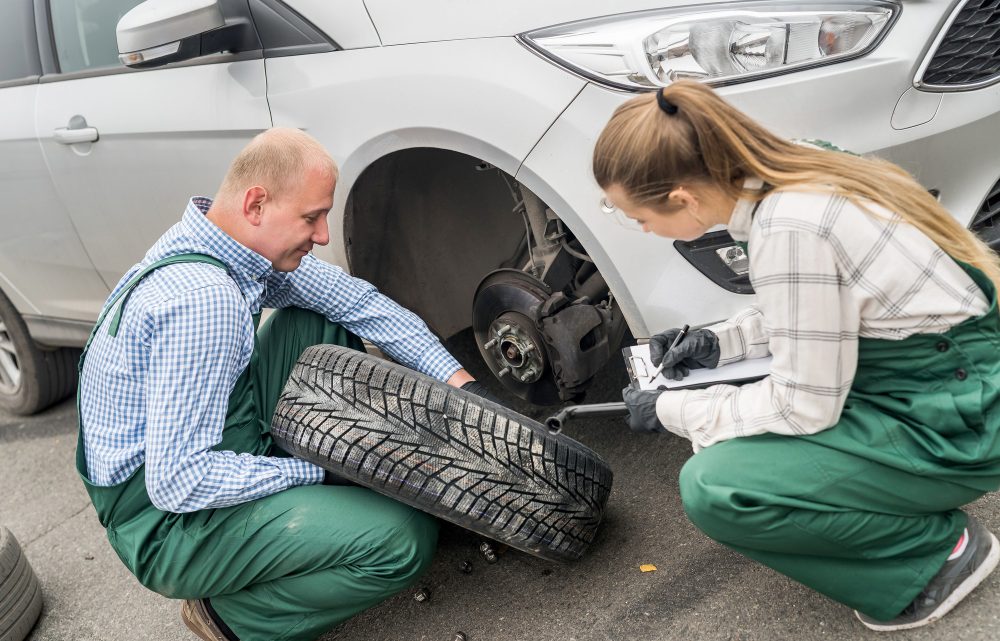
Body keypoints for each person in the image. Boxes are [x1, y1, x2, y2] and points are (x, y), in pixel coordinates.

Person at [593, 80, 1000, 631]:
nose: (642, 230)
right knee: (744, 429)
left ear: (682, 197)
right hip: (953, 381)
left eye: (636, 217)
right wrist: (721, 343)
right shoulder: (799, 169)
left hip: (958, 423)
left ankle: (937, 557)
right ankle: (901, 510)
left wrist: (671, 410)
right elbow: (828, 303)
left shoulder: (787, 227)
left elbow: (804, 405)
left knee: (717, 485)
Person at [76, 128, 495, 641]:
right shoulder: (203, 301)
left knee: (319, 325)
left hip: (204, 453)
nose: (322, 235)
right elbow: (179, 482)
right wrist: (320, 474)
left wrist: (465, 389)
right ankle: (232, 618)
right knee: (401, 541)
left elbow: (361, 305)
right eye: (311, 217)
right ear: (256, 204)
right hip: (167, 523)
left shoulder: (226, 246)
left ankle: (327, 495)